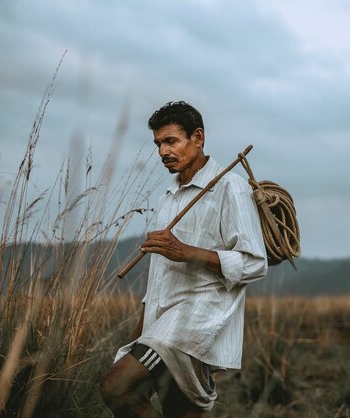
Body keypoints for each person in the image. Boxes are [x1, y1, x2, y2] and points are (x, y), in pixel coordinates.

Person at [100, 101, 268, 417]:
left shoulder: (229, 188)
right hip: (163, 323)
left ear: (198, 137)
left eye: (171, 141)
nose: (163, 152)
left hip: (195, 321)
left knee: (116, 386)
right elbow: (161, 280)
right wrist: (141, 332)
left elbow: (255, 263)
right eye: (158, 144)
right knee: (178, 411)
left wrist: (185, 252)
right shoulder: (169, 196)